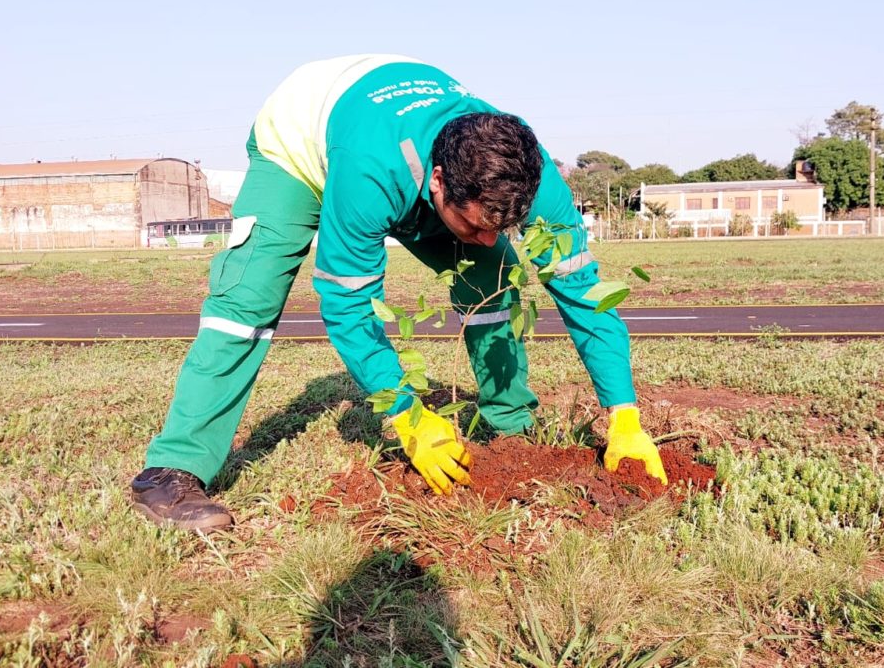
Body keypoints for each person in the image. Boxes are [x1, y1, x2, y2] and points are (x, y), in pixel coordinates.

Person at [130, 55, 667, 532]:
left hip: (400, 141)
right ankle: (173, 467)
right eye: (475, 225)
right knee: (248, 301)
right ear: (437, 182)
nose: (488, 239)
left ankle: (511, 425)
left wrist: (625, 415)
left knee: (493, 280)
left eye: (501, 227)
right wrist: (408, 416)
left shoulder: (532, 175)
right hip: (303, 144)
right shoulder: (369, 174)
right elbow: (347, 304)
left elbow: (585, 296)